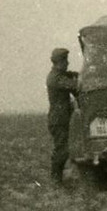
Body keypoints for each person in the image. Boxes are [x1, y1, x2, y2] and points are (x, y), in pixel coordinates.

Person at [46, 47, 79, 185]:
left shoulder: (58, 75)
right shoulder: (56, 78)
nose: (68, 63)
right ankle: (55, 181)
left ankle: (57, 181)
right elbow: (74, 85)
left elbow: (72, 75)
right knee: (62, 150)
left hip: (61, 118)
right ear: (59, 62)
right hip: (59, 119)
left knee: (63, 148)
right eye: (65, 60)